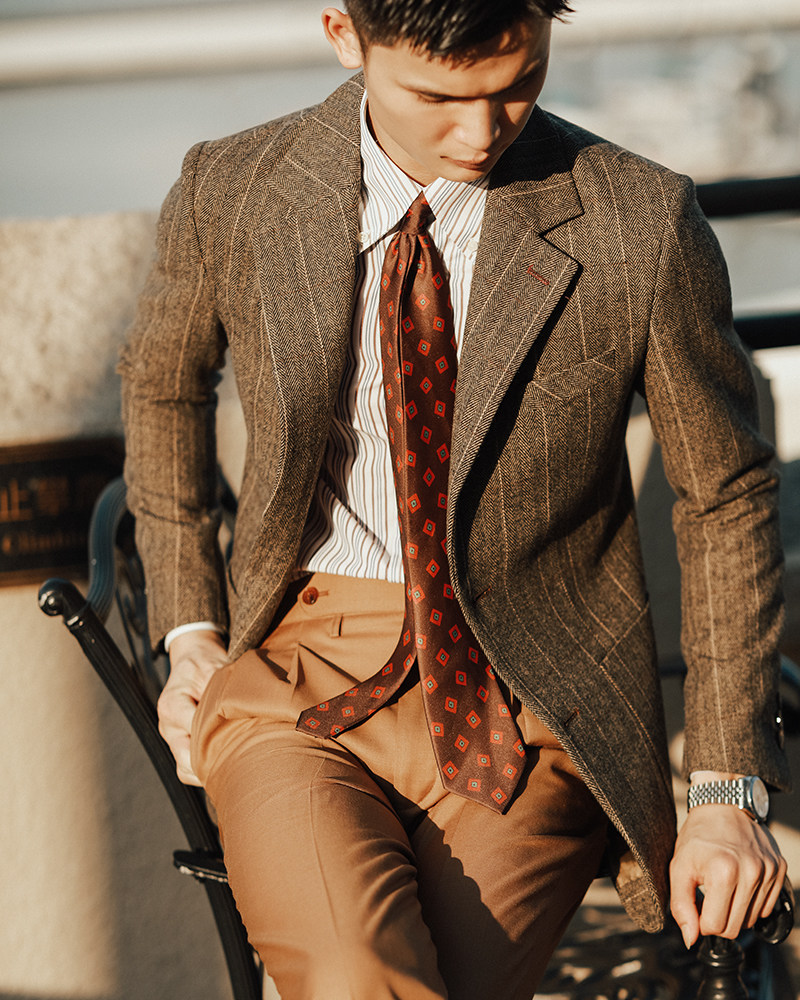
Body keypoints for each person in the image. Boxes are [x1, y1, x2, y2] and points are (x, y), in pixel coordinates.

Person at [119, 1, 791, 996]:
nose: (480, 133)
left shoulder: (637, 219)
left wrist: (727, 790)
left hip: (535, 695)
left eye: (517, 84)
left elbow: (725, 494)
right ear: (343, 35)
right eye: (436, 96)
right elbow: (161, 385)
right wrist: (190, 633)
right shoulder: (235, 185)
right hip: (296, 674)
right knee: (351, 968)